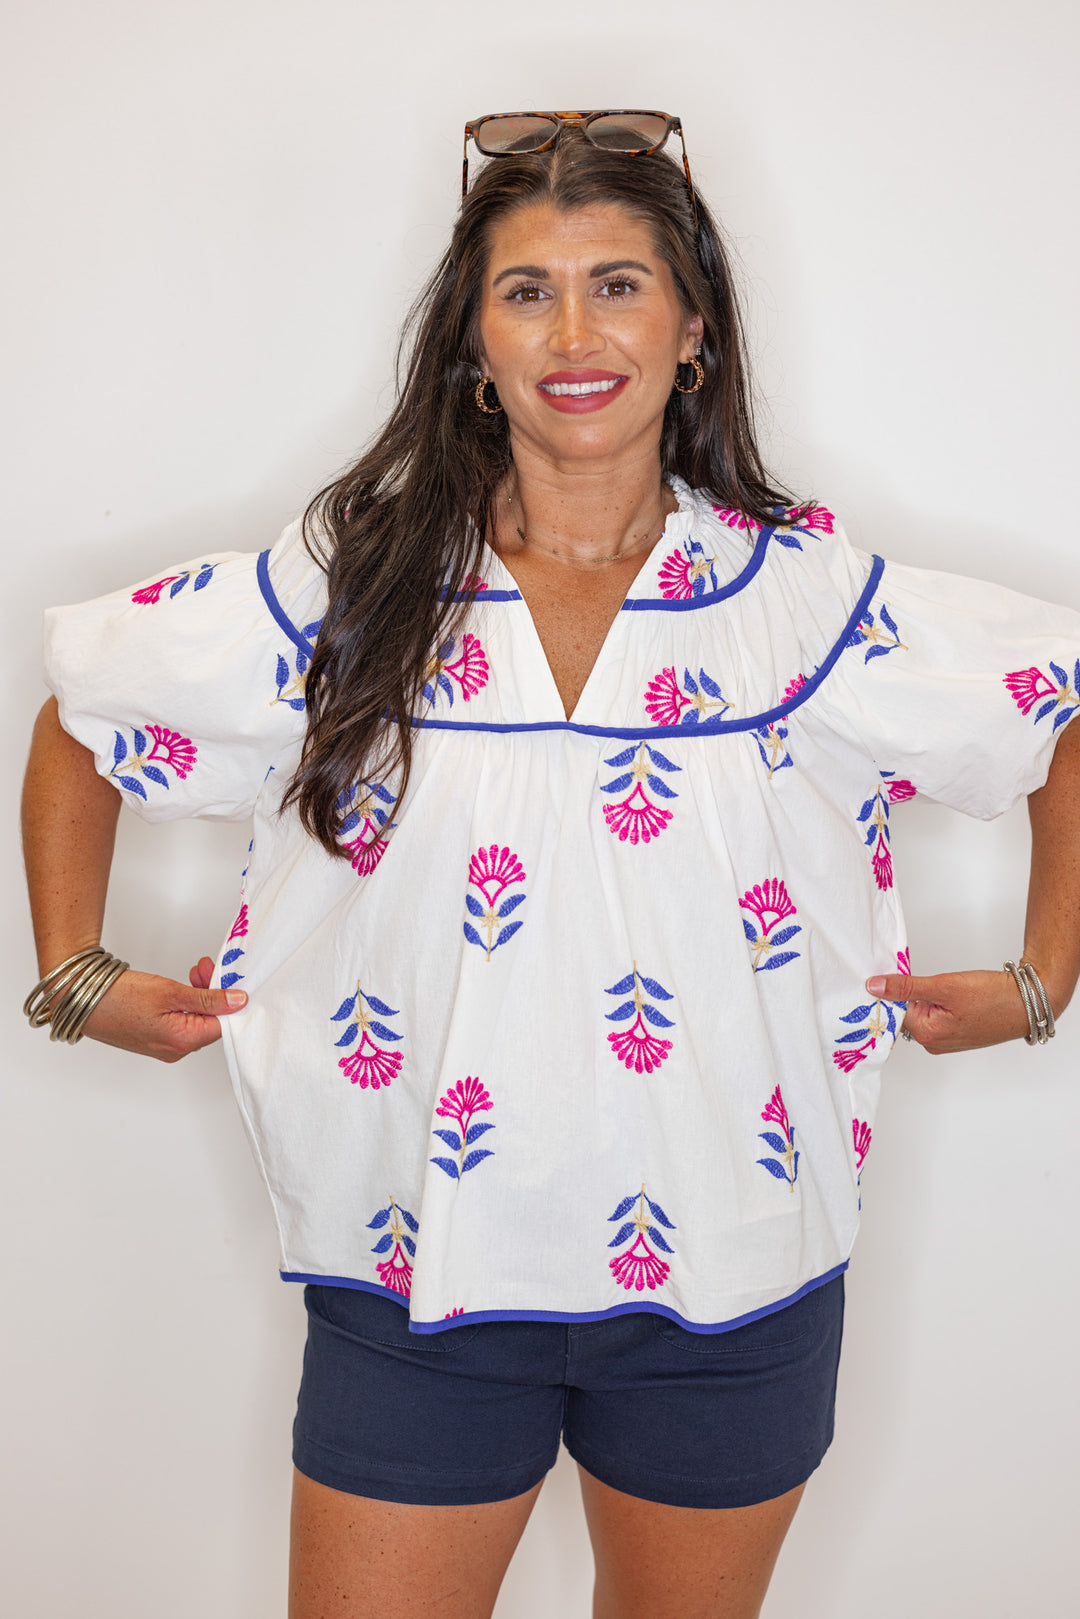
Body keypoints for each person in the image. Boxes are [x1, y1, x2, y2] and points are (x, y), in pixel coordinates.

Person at [21, 109, 1080, 1619]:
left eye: (619, 285)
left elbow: (1056, 708)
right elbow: (88, 711)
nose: (575, 335)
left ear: (694, 330)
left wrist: (1043, 978)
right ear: (475, 340)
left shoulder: (805, 597)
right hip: (415, 1271)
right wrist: (75, 972)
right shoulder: (353, 582)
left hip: (738, 1276)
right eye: (528, 292)